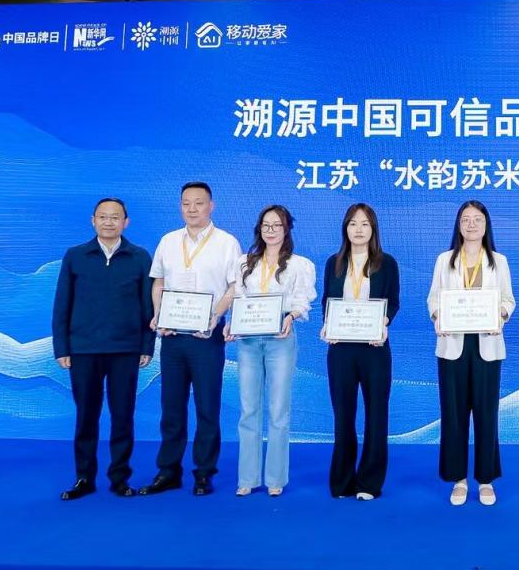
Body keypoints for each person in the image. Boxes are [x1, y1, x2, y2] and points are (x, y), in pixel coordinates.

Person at [139, 182, 241, 497]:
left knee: (207, 407)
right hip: (172, 338)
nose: (192, 209)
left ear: (211, 205)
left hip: (206, 337)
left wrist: (215, 317)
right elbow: (158, 282)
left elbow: (234, 287)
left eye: (199, 203)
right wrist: (159, 315)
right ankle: (168, 471)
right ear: (180, 206)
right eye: (186, 203)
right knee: (171, 407)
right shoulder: (168, 241)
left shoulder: (226, 243)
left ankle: (204, 473)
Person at [51, 197, 154, 500]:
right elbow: (62, 304)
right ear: (93, 220)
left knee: (123, 416)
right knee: (86, 415)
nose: (109, 222)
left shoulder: (139, 257)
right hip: (83, 349)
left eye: (115, 217)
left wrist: (147, 345)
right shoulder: (75, 256)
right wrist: (62, 347)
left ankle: (120, 478)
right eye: (103, 217)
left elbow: (148, 306)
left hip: (126, 350)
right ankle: (84, 478)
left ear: (126, 222)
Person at [428, 200, 515, 506]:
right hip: (452, 346)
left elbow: (508, 300)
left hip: (486, 347)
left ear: (486, 225)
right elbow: (433, 299)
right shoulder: (444, 260)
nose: (472, 224)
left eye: (477, 219)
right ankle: (459, 479)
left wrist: (499, 316)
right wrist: (438, 318)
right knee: (453, 415)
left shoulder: (498, 261)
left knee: (486, 414)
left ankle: (486, 479)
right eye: (466, 219)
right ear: (459, 225)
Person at [227, 205, 315, 497]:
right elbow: (239, 298)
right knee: (248, 409)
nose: (271, 230)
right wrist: (231, 324)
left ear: (287, 229)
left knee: (278, 410)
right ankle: (247, 478)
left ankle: (275, 477)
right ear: (259, 229)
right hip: (248, 341)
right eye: (266, 225)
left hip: (280, 339)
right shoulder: (244, 263)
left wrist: (291, 316)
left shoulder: (299, 265)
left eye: (277, 225)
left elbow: (302, 301)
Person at [321, 203, 400, 500]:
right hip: (340, 349)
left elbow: (393, 302)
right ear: (345, 228)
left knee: (376, 416)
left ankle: (369, 482)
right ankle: (342, 481)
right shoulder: (334, 262)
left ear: (373, 229)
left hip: (374, 349)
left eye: (365, 224)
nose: (358, 229)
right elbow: (327, 301)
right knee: (343, 417)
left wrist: (384, 322)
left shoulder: (387, 263)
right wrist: (327, 324)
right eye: (353, 223)